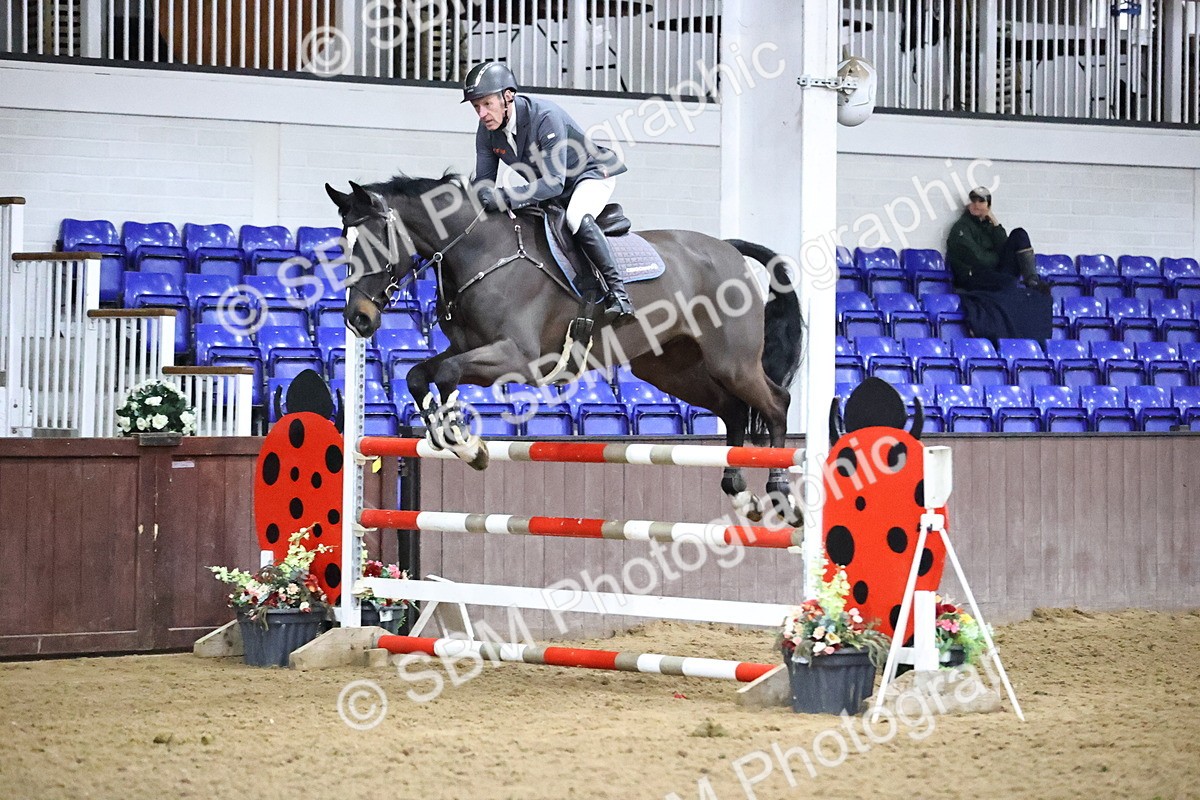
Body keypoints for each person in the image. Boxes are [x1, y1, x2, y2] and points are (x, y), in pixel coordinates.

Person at [462, 61, 635, 325]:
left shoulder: (544, 116)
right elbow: (484, 186)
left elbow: (554, 182)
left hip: (589, 175)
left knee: (576, 217)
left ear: (507, 96)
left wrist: (503, 197)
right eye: (477, 107)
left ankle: (619, 295)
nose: (482, 113)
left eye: (487, 104)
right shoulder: (487, 133)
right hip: (551, 189)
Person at [946, 186, 1048, 293]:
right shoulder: (961, 227)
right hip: (973, 276)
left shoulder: (990, 226)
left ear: (988, 206)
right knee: (1009, 282)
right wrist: (999, 258)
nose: (976, 204)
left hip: (994, 272)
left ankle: (1032, 282)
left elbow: (1003, 247)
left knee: (1019, 234)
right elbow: (978, 259)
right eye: (973, 200)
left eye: (981, 201)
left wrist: (995, 223)